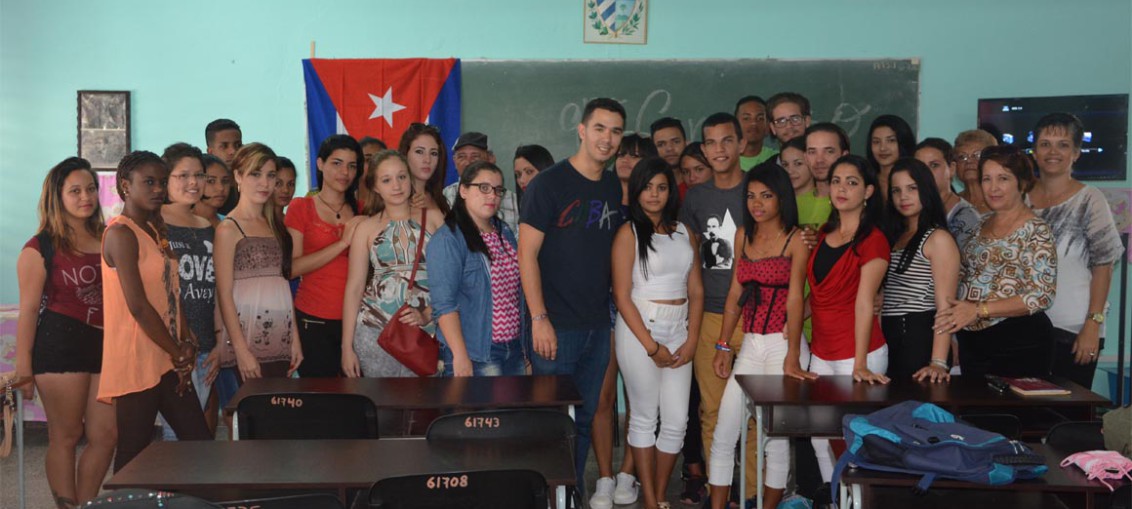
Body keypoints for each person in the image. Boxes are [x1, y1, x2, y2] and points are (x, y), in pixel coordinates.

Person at [519, 97, 625, 501]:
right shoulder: (549, 184)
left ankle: (571, 491)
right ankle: (546, 497)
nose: (607, 138)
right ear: (582, 130)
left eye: (616, 131)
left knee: (582, 421)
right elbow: (526, 254)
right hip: (555, 325)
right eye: (600, 128)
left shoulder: (614, 186)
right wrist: (539, 316)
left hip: (598, 325)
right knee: (550, 424)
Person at [98, 151, 211, 472]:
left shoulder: (157, 230)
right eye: (148, 182)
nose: (158, 189)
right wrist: (177, 351)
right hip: (138, 356)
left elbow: (171, 292)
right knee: (133, 454)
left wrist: (186, 338)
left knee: (199, 442)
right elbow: (137, 305)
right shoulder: (121, 233)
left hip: (168, 353)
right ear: (125, 186)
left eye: (162, 182)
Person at [708, 163, 812, 509]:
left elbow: (796, 297)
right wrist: (724, 344)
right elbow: (736, 292)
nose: (757, 203)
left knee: (775, 438)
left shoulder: (797, 238)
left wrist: (793, 354)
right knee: (725, 431)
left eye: (766, 195)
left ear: (781, 197)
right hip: (750, 342)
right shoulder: (742, 235)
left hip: (783, 344)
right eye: (751, 195)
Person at [16, 157, 114, 507]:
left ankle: (86, 503)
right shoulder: (38, 247)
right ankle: (66, 504)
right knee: (67, 434)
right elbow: (28, 312)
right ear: (57, 196)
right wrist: (24, 371)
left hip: (106, 346)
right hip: (60, 347)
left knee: (105, 436)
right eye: (75, 190)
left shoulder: (108, 238)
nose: (85, 196)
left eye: (90, 189)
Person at [611, 157, 702, 509]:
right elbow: (621, 295)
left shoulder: (683, 232)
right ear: (636, 191)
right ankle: (650, 499)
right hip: (640, 329)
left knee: (677, 420)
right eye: (647, 187)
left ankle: (660, 493)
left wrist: (692, 338)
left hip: (680, 328)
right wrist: (651, 347)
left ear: (670, 192)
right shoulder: (627, 233)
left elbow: (695, 290)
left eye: (661, 187)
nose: (654, 194)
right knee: (645, 417)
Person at [679, 112, 759, 502]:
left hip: (758, 317)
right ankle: (719, 491)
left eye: (727, 140)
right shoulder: (695, 197)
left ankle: (752, 492)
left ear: (742, 144)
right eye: (710, 142)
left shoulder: (759, 191)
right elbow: (690, 259)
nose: (719, 149)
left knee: (758, 414)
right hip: (710, 315)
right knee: (712, 411)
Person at [935, 146, 1057, 378]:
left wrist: (980, 310)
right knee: (975, 413)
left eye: (1003, 178)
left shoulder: (1035, 229)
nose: (993, 188)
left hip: (1019, 341)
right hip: (973, 342)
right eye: (986, 179)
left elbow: (1042, 294)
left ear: (1021, 183)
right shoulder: (981, 223)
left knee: (1011, 414)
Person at [808, 155, 891, 483]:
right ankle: (834, 498)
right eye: (836, 181)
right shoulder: (825, 232)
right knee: (818, 435)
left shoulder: (874, 240)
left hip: (859, 353)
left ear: (868, 191)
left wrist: (859, 364)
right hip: (822, 351)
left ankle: (854, 501)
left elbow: (864, 302)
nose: (841, 188)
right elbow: (815, 293)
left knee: (851, 440)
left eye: (852, 182)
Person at [1027, 113, 1122, 388]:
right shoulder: (1020, 198)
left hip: (1074, 331)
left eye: (1063, 144)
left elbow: (1103, 266)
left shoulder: (1090, 200)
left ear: (1077, 153)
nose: (1052, 152)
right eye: (1045, 144)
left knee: (1066, 419)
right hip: (1025, 330)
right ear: (1034, 151)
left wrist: (1092, 325)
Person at [341, 150, 444, 378]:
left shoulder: (435, 218)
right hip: (374, 329)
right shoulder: (365, 228)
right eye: (386, 180)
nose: (396, 186)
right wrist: (346, 347)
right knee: (384, 408)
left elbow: (451, 278)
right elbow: (355, 287)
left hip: (426, 331)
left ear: (410, 178)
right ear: (375, 187)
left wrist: (429, 313)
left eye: (401, 177)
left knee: (427, 407)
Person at [215, 143, 303, 382]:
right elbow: (224, 294)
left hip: (281, 339)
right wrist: (242, 352)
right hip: (247, 340)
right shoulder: (228, 229)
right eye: (256, 174)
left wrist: (294, 339)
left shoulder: (276, 225)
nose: (265, 183)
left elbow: (282, 285)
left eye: (271, 175)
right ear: (238, 176)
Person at [427, 161, 524, 376]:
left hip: (513, 348)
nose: (492, 196)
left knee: (511, 411)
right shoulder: (448, 239)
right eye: (484, 188)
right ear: (463, 190)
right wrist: (460, 356)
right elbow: (444, 305)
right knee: (482, 411)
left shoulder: (504, 231)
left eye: (498, 190)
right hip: (476, 352)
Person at [285, 135, 364, 377]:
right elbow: (292, 269)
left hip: (359, 321)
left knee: (358, 402)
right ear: (320, 164)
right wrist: (342, 243)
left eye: (352, 165)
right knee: (322, 401)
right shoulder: (302, 207)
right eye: (336, 163)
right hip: (313, 320)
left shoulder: (362, 209)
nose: (344, 172)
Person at [160, 144, 222, 434]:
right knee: (179, 435)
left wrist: (221, 341)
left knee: (195, 433)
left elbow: (219, 286)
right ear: (165, 178)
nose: (193, 182)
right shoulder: (155, 223)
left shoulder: (208, 226)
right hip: (173, 348)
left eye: (199, 175)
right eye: (183, 175)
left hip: (208, 345)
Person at [881, 158, 960, 382]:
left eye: (912, 188)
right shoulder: (892, 236)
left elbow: (945, 307)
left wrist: (937, 362)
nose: (903, 197)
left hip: (920, 338)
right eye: (896, 190)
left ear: (926, 189)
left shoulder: (938, 238)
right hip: (888, 338)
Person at [443, 132, 519, 234]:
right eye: (461, 156)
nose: (468, 162)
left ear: (491, 158)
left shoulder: (514, 201)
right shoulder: (443, 197)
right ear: (454, 161)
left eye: (475, 156)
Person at [914, 138, 980, 250]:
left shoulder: (967, 218)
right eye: (920, 167)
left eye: (934, 165)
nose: (926, 173)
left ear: (952, 169)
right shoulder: (913, 209)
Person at [399, 122, 450, 214]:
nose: (427, 160)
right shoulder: (392, 197)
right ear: (405, 154)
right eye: (419, 152)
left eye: (433, 153)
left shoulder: (441, 200)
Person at [781, 137, 830, 228]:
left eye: (798, 164)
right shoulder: (778, 202)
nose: (790, 171)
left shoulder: (830, 200)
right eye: (785, 165)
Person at [865, 114, 915, 196]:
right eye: (876, 142)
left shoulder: (917, 181)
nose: (882, 148)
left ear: (903, 142)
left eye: (891, 140)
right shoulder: (865, 181)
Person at [952, 129, 998, 214]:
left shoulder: (1001, 201)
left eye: (977, 155)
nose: (969, 161)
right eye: (962, 157)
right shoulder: (951, 204)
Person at [204, 119, 243, 215]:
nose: (233, 151)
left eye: (238, 145)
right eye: (224, 146)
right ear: (210, 152)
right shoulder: (200, 187)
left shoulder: (250, 185)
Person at [804, 123, 851, 200]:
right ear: (805, 157)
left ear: (844, 156)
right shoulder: (795, 205)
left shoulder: (856, 203)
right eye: (812, 152)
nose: (819, 160)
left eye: (829, 151)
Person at [736, 96, 778, 170]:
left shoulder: (778, 159)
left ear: (768, 127)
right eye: (746, 118)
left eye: (760, 118)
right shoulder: (725, 160)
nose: (753, 123)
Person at [359, 136, 388, 212]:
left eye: (380, 160)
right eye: (368, 160)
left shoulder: (394, 202)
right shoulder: (344, 204)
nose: (374, 164)